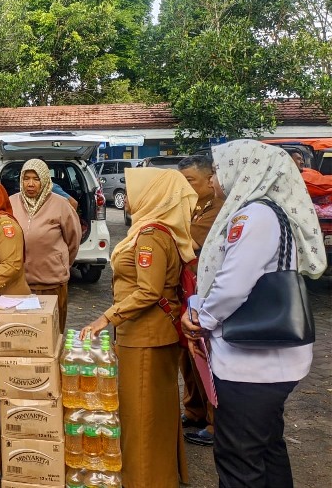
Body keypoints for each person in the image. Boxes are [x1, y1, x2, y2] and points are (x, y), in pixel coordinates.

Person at [182, 140, 326, 488]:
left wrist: (202, 320)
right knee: (267, 448)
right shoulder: (271, 212)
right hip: (267, 363)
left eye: (218, 171)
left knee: (239, 458)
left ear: (243, 170)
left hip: (251, 366)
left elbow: (232, 285)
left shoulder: (254, 215)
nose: (213, 180)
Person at [81, 167, 197, 488]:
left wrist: (107, 317)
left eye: (133, 189)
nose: (127, 195)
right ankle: (158, 475)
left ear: (151, 195)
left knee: (141, 415)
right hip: (147, 334)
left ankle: (143, 480)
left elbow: (148, 291)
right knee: (154, 412)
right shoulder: (151, 231)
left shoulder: (150, 238)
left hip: (146, 336)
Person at [177, 155, 224, 446]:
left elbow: (188, 244)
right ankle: (194, 410)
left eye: (190, 180)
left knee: (204, 355)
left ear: (210, 179)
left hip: (206, 291)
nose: (185, 186)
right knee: (188, 356)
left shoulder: (217, 208)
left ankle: (213, 422)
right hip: (190, 290)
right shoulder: (194, 205)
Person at [9, 159, 81, 331]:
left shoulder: (61, 204)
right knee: (24, 333)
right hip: (20, 285)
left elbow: (73, 240)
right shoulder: (11, 202)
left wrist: (61, 263)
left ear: (45, 180)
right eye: (26, 178)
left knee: (53, 333)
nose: (30, 184)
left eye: (36, 179)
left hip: (52, 284)